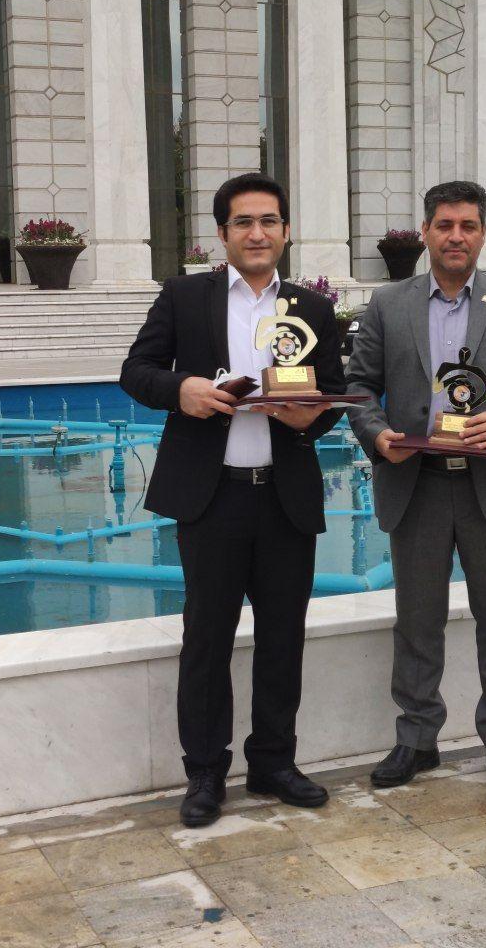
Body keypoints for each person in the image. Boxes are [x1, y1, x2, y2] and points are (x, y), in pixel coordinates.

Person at [120, 172, 345, 827]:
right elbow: (135, 371)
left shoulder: (312, 307)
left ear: (286, 231)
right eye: (243, 222)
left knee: (282, 637)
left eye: (269, 221)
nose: (257, 233)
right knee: (207, 639)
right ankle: (205, 773)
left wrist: (311, 417)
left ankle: (273, 762)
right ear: (222, 233)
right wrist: (182, 389)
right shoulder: (185, 297)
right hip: (212, 498)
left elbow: (333, 390)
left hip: (284, 498)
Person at [346, 181, 486, 794]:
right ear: (426, 232)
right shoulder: (389, 304)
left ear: (483, 233)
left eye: (468, 225)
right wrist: (377, 435)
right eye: (444, 225)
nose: (456, 236)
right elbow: (359, 386)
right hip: (417, 484)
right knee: (417, 622)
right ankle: (417, 739)